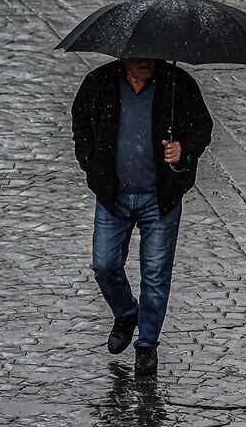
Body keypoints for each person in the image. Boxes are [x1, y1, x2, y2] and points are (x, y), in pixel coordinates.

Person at [71, 57, 212, 375]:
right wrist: (91, 166)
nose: (144, 61)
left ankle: (147, 345)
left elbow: (203, 128)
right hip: (113, 197)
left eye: (151, 54)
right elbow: (81, 125)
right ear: (124, 55)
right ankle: (125, 313)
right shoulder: (99, 83)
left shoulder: (179, 84)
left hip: (159, 199)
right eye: (137, 54)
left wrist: (183, 149)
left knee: (155, 276)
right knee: (104, 264)